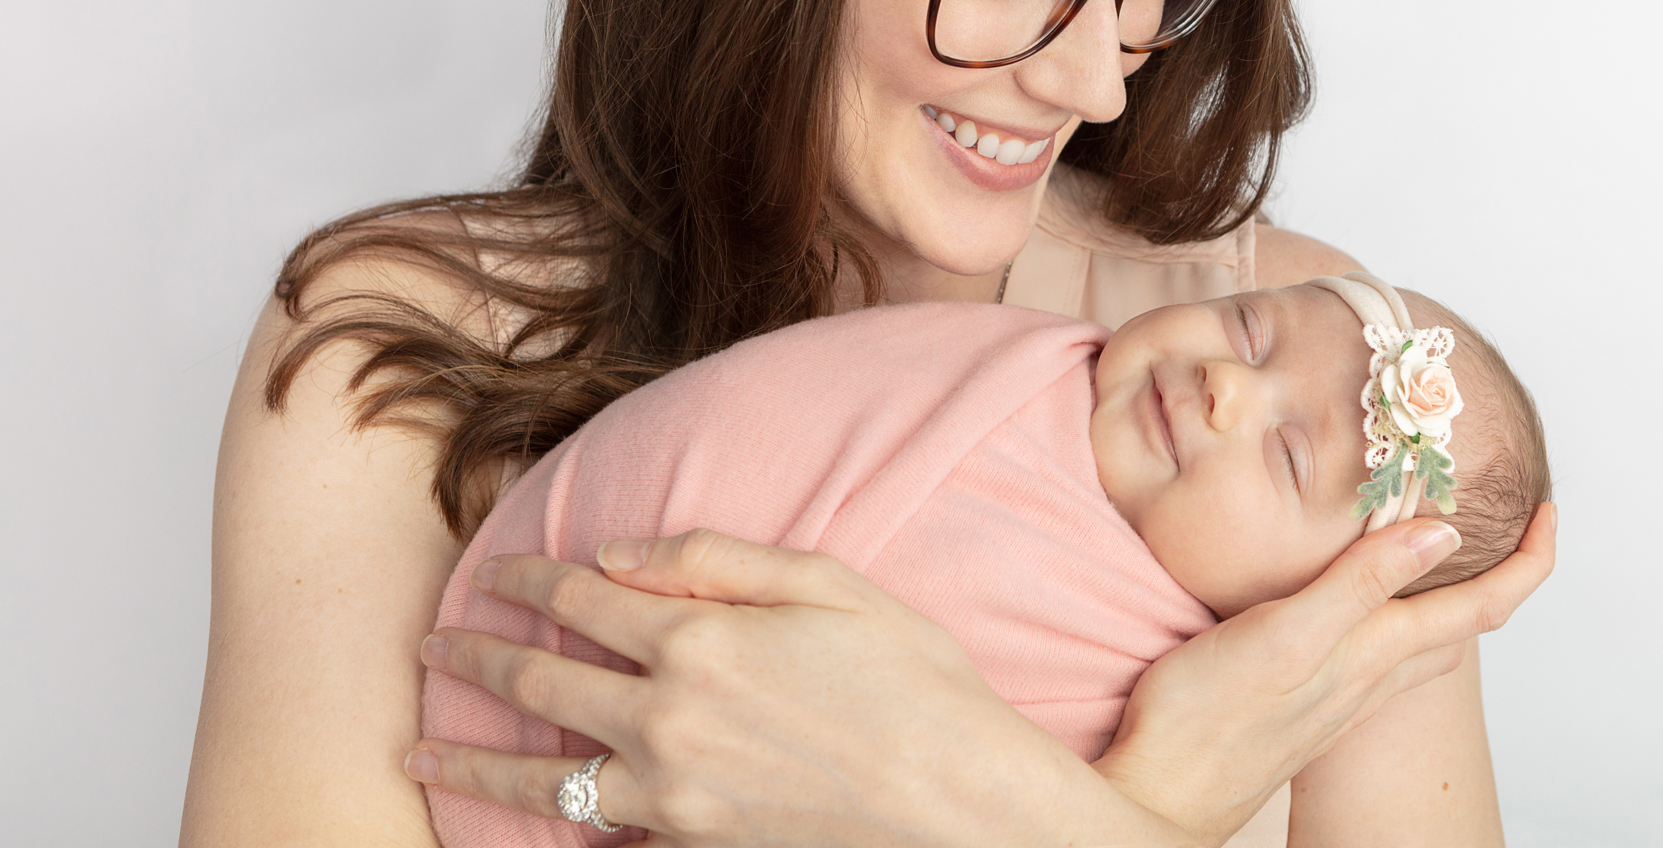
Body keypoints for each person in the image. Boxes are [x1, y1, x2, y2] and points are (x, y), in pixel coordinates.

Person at [180, 0, 1556, 845]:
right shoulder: (397, 355)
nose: (1099, 82)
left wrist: (967, 803)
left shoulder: (1332, 401)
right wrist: (1151, 795)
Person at [420, 275, 1551, 846]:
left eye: (1290, 453)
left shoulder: (1151, 647)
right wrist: (1148, 810)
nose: (1228, 383)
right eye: (1250, 330)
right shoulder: (1046, 361)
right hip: (525, 695)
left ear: (1323, 607)